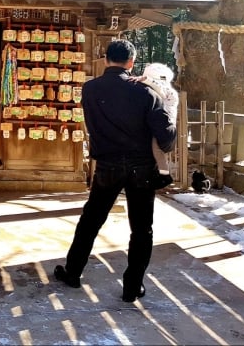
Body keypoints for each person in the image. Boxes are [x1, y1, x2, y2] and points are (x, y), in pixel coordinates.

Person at [54, 39, 176, 302]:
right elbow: (166, 138)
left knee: (90, 221)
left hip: (106, 166)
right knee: (141, 229)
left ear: (106, 59)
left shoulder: (90, 89)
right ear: (131, 63)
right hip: (141, 168)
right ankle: (132, 286)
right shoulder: (147, 94)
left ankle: (73, 272)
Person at [139, 62, 179, 189]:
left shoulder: (168, 92)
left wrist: (147, 80)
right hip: (159, 124)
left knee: (156, 149)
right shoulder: (161, 89)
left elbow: (160, 92)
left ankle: (164, 174)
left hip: (164, 126)